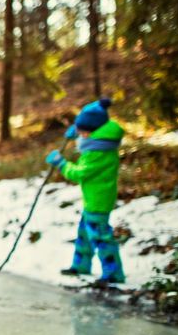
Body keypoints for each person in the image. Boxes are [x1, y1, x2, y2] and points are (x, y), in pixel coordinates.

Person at [45, 98, 126, 285]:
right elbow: (88, 140)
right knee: (84, 233)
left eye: (83, 132)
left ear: (92, 131)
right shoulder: (99, 143)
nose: (81, 135)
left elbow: (80, 174)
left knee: (100, 236)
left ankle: (113, 272)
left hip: (99, 200)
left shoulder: (99, 153)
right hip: (92, 198)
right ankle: (81, 264)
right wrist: (77, 134)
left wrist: (61, 164)